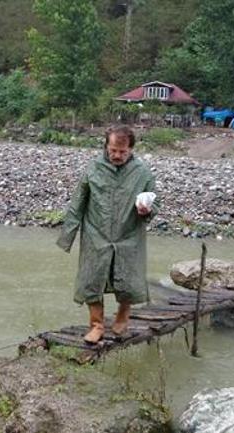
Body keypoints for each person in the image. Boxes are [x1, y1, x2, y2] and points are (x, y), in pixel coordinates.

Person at [57, 125, 159, 344]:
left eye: (122, 152)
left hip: (129, 234)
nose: (117, 155)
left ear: (131, 149)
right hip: (96, 232)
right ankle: (97, 325)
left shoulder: (142, 173)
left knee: (129, 279)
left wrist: (146, 210)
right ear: (106, 146)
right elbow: (78, 203)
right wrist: (68, 236)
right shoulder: (93, 169)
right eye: (113, 150)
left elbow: (153, 204)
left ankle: (123, 314)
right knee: (91, 279)